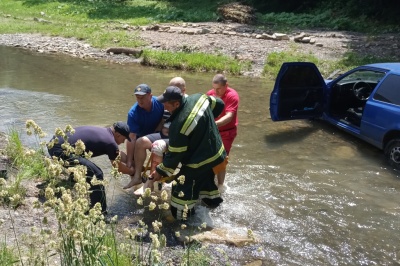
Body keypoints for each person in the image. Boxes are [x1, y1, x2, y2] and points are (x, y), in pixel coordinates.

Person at [150, 86, 227, 220]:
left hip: (201, 159)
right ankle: (215, 205)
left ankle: (183, 220)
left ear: (177, 104)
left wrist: (160, 171)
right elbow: (219, 104)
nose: (164, 107)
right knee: (204, 178)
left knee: (183, 184)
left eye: (167, 104)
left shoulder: (179, 125)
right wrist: (205, 124)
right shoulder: (199, 97)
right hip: (217, 150)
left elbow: (175, 156)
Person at [47, 122, 135, 214]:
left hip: (55, 143)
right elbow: (118, 167)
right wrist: (133, 172)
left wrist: (132, 163)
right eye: (124, 139)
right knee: (97, 174)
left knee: (85, 164)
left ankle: (72, 180)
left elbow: (117, 154)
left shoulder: (105, 133)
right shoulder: (111, 142)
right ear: (118, 134)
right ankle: (100, 212)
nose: (123, 142)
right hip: (59, 150)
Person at [128, 77, 188, 193]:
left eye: (176, 88)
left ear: (183, 90)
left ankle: (150, 184)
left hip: (177, 137)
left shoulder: (187, 103)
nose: (140, 101)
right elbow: (162, 120)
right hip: (162, 134)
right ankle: (137, 177)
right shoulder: (165, 99)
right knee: (141, 141)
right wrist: (158, 131)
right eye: (170, 87)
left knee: (157, 146)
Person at [123, 83, 164, 189]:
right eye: (137, 98)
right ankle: (135, 183)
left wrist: (159, 129)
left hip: (156, 134)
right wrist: (128, 160)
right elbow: (131, 137)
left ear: (150, 95)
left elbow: (165, 118)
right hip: (138, 137)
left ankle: (156, 184)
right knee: (131, 163)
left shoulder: (160, 103)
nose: (140, 101)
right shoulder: (133, 113)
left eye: (143, 98)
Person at [207, 74, 239, 192]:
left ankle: (220, 185)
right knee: (208, 154)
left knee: (221, 157)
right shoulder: (210, 94)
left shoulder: (232, 95)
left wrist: (214, 124)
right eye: (214, 88)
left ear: (226, 86)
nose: (215, 91)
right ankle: (208, 180)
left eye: (219, 88)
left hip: (227, 132)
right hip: (212, 131)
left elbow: (229, 116)